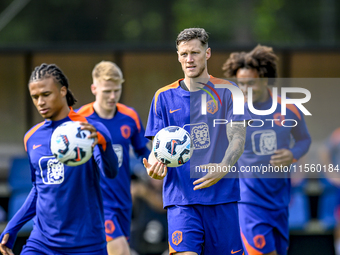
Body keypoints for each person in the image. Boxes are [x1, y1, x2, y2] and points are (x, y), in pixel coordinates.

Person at [143, 28, 251, 255]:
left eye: (195, 52)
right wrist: (154, 164)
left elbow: (238, 137)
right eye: (183, 54)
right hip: (181, 199)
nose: (189, 59)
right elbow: (157, 146)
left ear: (207, 53)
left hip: (222, 197)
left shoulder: (230, 91)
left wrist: (223, 168)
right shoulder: (163, 96)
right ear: (178, 56)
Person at [0, 63, 119, 255]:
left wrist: (104, 145)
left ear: (63, 91)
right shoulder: (31, 137)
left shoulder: (89, 129)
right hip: (42, 243)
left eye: (46, 94)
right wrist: (12, 227)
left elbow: (111, 172)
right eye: (35, 97)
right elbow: (39, 189)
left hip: (86, 244)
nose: (40, 102)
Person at [223, 45, 312, 255]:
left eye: (250, 83)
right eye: (240, 84)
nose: (244, 89)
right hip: (248, 202)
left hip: (280, 202)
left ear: (264, 79)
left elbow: (304, 140)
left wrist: (293, 154)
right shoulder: (233, 113)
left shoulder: (289, 108)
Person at [77, 61, 150, 255]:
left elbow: (143, 150)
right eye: (106, 91)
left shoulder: (130, 116)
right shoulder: (78, 119)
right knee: (122, 252)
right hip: (95, 201)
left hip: (123, 199)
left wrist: (154, 164)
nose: (112, 96)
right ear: (94, 88)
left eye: (116, 91)